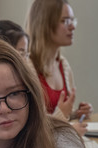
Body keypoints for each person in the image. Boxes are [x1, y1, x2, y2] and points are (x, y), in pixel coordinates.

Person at [25, 0, 91, 134]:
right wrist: (65, 122)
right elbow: (33, 127)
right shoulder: (27, 66)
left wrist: (77, 113)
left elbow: (61, 115)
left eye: (72, 20)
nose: (72, 27)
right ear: (45, 23)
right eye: (66, 21)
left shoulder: (63, 64)